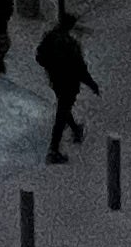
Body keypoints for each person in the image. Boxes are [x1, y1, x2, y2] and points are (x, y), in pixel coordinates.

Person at [34, 9, 99, 163]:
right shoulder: (70, 44)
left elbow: (39, 56)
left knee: (63, 107)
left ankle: (75, 129)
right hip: (69, 83)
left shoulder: (49, 37)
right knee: (62, 113)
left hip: (56, 80)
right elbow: (80, 68)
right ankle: (54, 150)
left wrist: (51, 68)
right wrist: (92, 84)